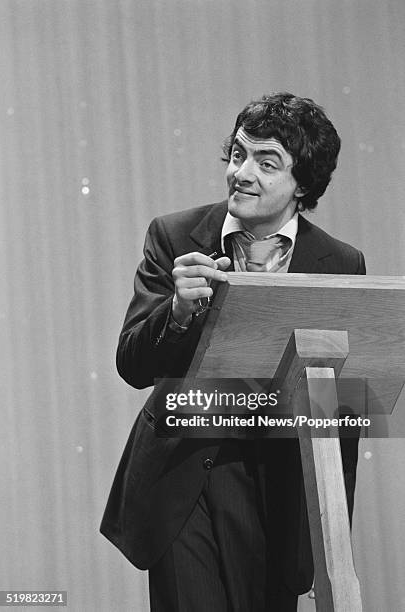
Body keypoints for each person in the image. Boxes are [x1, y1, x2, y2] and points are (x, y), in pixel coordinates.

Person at [100, 92, 366, 611]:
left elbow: (341, 411)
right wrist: (175, 313)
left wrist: (329, 537)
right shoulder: (175, 236)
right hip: (183, 475)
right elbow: (131, 363)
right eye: (239, 154)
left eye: (267, 164)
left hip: (280, 483)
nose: (242, 173)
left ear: (303, 185)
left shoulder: (337, 261)